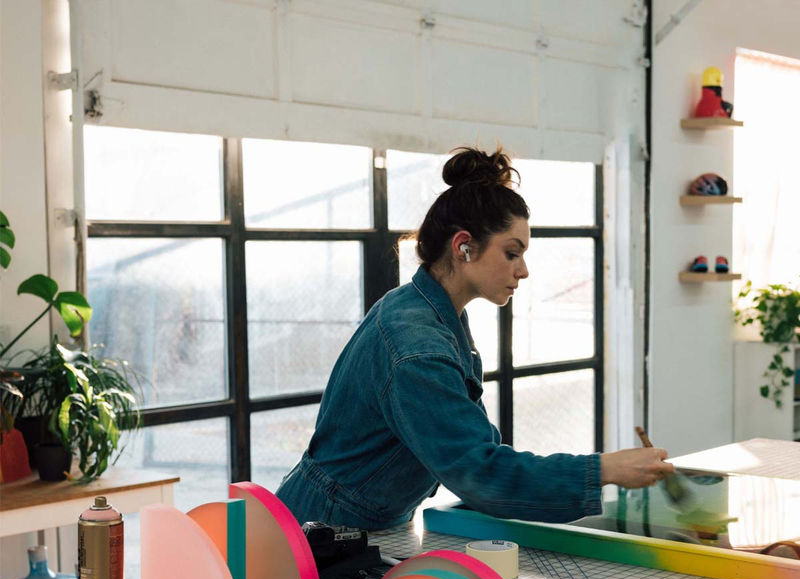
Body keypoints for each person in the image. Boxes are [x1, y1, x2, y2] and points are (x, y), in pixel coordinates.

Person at [276, 146, 673, 530]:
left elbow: (474, 450)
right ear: (464, 246)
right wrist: (605, 469)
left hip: (357, 520)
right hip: (320, 529)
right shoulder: (417, 346)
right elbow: (480, 473)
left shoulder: (427, 310)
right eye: (512, 253)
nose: (524, 271)